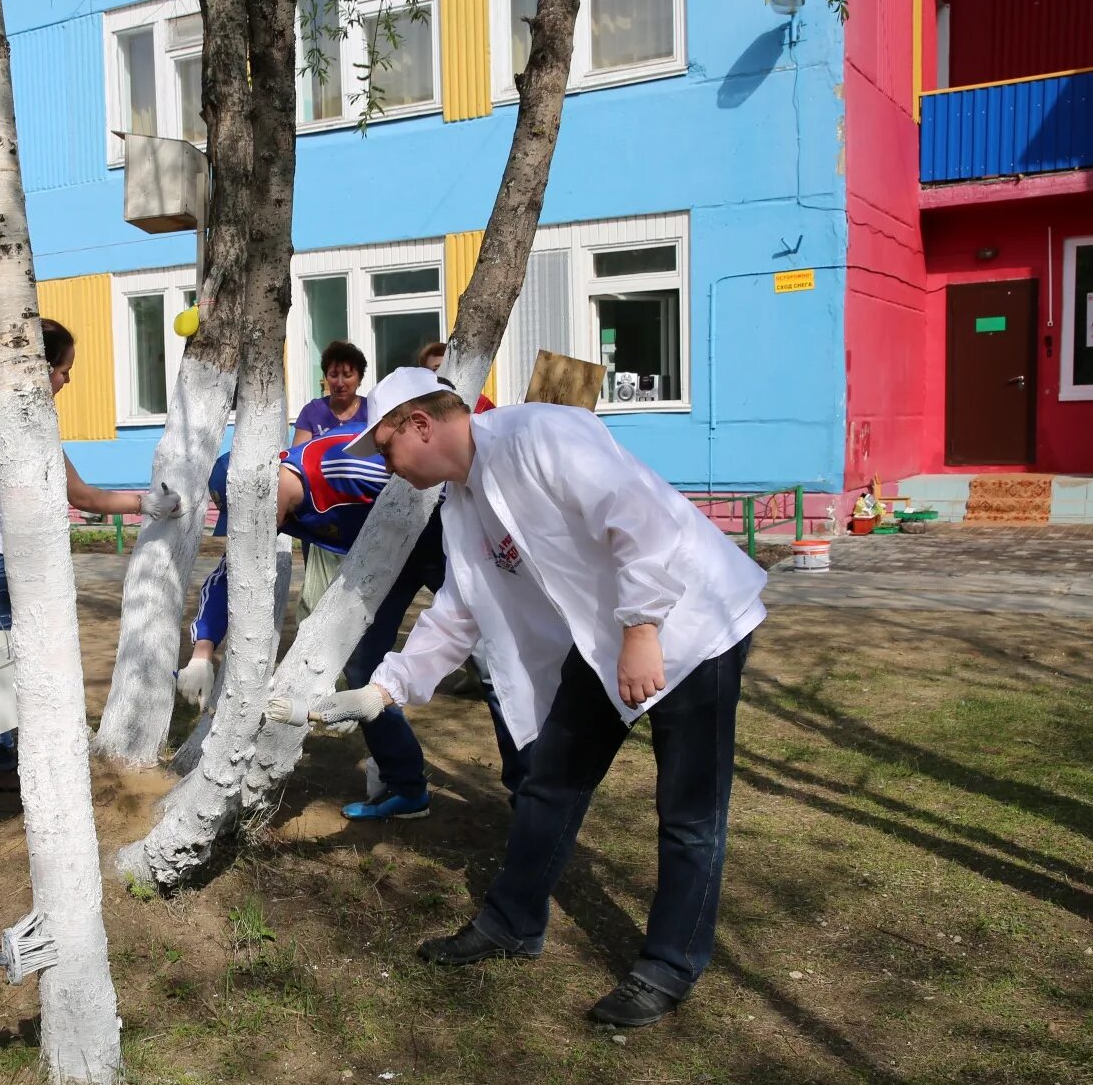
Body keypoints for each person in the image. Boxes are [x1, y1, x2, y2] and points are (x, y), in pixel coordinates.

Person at [277, 367, 766, 1027]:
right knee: (549, 784)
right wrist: (385, 690)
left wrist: (644, 627)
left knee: (689, 812)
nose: (388, 469)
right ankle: (512, 922)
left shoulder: (541, 434)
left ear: (419, 424)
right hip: (604, 644)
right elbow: (459, 612)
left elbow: (640, 520)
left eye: (386, 450)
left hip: (691, 626)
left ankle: (668, 966)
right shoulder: (461, 505)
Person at [179, 425, 523, 819]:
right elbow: (232, 571)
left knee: (494, 661)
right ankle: (406, 787)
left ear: (262, 491)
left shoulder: (343, 463)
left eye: (251, 517)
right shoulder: (272, 508)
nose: (252, 531)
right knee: (364, 665)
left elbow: (444, 485)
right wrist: (202, 653)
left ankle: (530, 791)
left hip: (446, 540)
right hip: (387, 559)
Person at [0, 318, 184, 792]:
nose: (67, 379)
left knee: (7, 651)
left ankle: (10, 758)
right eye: (63, 369)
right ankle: (11, 761)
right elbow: (83, 496)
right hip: (2, 550)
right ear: (39, 369)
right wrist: (145, 504)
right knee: (18, 656)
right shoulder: (19, 419)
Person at [290, 340, 369, 446]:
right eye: (334, 375)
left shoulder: (373, 411)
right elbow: (298, 457)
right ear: (326, 377)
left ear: (360, 378)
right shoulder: (311, 412)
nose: (340, 383)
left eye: (347, 375)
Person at [416, 341, 495, 412]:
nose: (443, 372)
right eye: (436, 369)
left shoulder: (480, 404)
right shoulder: (419, 407)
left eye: (447, 367)